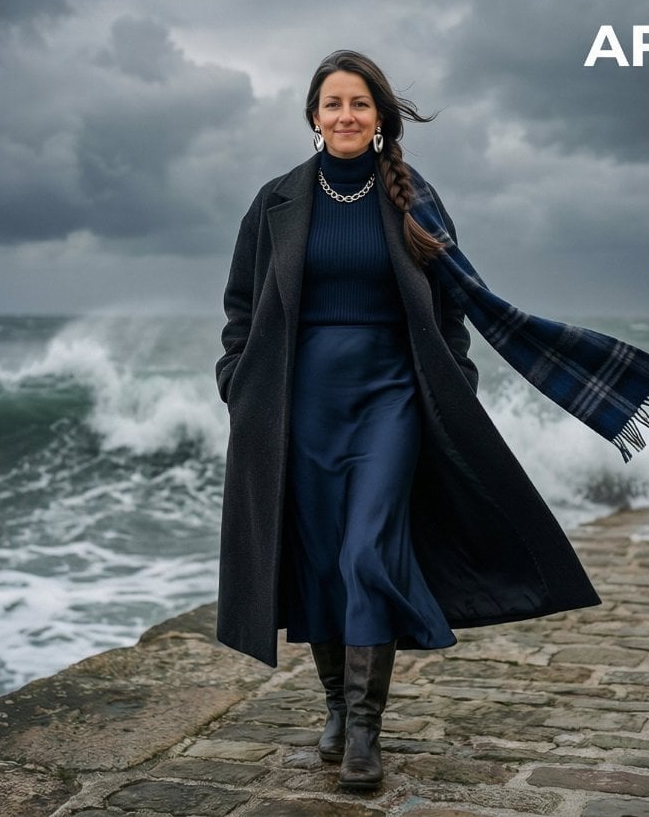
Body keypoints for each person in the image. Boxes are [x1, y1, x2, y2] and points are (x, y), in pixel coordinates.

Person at [214, 50, 603, 793]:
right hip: (298, 402)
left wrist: (452, 384)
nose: (346, 115)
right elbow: (241, 303)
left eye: (359, 103)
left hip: (391, 398)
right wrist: (237, 379)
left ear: (381, 118)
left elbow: (453, 303)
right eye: (333, 103)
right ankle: (336, 705)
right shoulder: (276, 201)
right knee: (321, 555)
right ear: (314, 116)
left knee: (368, 551)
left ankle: (366, 729)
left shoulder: (413, 197)